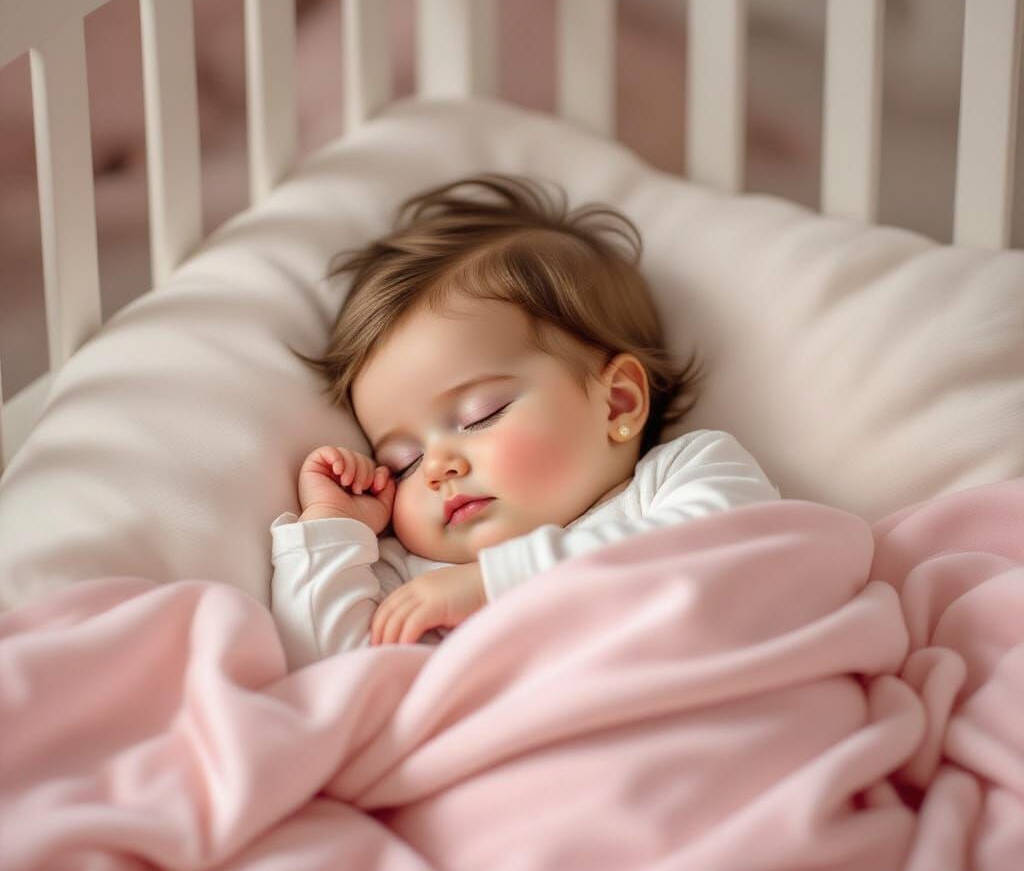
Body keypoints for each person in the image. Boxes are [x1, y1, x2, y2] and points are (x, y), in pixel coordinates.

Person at [270, 174, 780, 670]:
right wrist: (332, 528)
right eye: (403, 463)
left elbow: (735, 546)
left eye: (479, 416)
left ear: (618, 404)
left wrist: (497, 582)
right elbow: (325, 675)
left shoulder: (680, 479)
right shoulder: (410, 575)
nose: (437, 469)